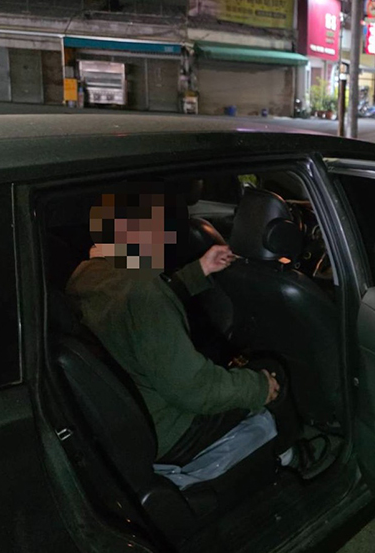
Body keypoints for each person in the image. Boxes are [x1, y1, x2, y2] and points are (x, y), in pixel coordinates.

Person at [66, 186, 336, 478]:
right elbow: (194, 390)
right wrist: (258, 387)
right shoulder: (142, 288)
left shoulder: (85, 277)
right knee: (271, 372)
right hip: (172, 430)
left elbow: (135, 311)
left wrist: (200, 269)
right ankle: (289, 457)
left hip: (130, 420)